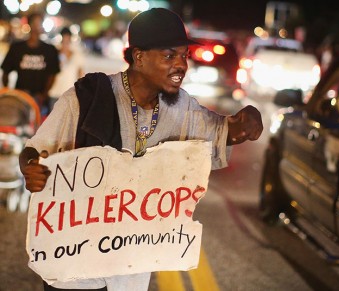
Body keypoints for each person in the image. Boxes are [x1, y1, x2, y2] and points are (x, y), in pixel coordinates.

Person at [18, 8, 263, 291]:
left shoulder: (183, 109)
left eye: (184, 55)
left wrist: (249, 119)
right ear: (139, 56)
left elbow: (226, 131)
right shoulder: (86, 98)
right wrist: (31, 169)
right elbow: (33, 151)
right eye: (169, 55)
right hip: (76, 271)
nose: (181, 65)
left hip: (129, 275)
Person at [1, 12, 60, 117]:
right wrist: (9, 91)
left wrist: (44, 94)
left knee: (39, 128)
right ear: (29, 24)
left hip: (40, 99)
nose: (38, 26)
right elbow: (6, 70)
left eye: (40, 23)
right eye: (36, 23)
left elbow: (53, 73)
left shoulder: (49, 50)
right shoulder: (17, 48)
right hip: (20, 97)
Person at [48, 26, 84, 105]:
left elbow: (80, 74)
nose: (65, 43)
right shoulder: (55, 54)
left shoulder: (77, 55)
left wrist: (80, 91)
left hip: (69, 93)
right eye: (64, 40)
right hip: (54, 92)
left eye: (68, 40)